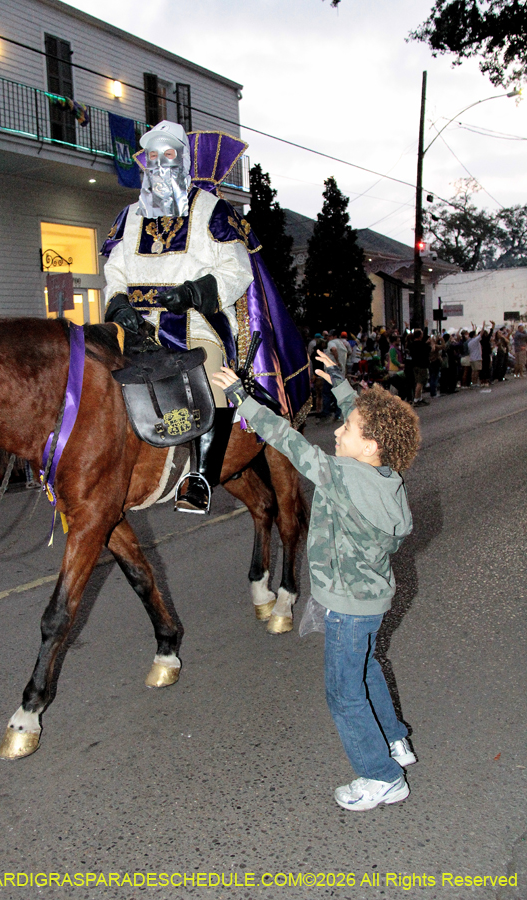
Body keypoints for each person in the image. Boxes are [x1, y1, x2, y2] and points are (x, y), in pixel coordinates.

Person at [212, 347, 421, 812]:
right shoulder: (386, 474)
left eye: (347, 429)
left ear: (369, 446)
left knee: (344, 694)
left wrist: (243, 400)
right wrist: (342, 387)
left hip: (347, 607)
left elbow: (289, 442)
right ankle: (395, 741)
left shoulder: (342, 477)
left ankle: (382, 776)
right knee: (367, 668)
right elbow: (367, 426)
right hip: (370, 601)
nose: (338, 430)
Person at [101, 120, 310, 513]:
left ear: (183, 160)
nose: (159, 163)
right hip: (134, 324)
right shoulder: (128, 216)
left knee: (211, 374)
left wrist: (194, 292)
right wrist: (118, 303)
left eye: (168, 154)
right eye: (152, 155)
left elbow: (237, 270)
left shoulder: (213, 210)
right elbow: (115, 270)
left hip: (194, 320)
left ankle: (199, 479)